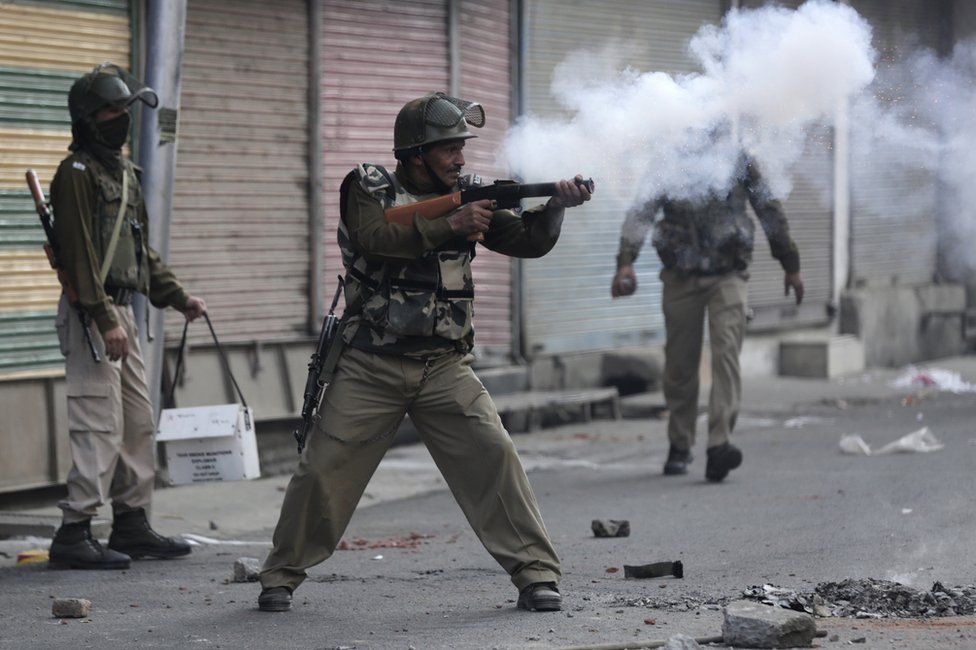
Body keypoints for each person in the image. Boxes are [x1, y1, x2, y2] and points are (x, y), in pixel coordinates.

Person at [258, 92, 591, 613]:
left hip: (444, 366)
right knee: (323, 470)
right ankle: (280, 575)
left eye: (462, 147)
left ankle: (535, 574)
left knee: (493, 457)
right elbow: (373, 240)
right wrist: (448, 225)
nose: (460, 158)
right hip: (370, 363)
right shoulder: (368, 186)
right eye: (448, 149)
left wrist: (554, 207)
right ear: (416, 155)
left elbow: (527, 240)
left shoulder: (470, 193)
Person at [47, 63, 207, 570]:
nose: (122, 119)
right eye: (113, 111)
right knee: (98, 422)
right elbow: (79, 255)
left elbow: (140, 254)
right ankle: (74, 531)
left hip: (122, 312)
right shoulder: (74, 175)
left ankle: (132, 522)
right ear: (90, 119)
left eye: (125, 110)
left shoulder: (125, 174)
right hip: (93, 312)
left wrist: (178, 296)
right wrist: (102, 317)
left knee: (138, 421)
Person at [611, 153, 803, 482]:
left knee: (726, 353)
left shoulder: (738, 159)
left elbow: (768, 209)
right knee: (680, 364)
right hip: (680, 275)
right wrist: (625, 260)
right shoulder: (665, 160)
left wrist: (790, 264)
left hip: (727, 274)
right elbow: (642, 210)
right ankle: (680, 443)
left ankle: (719, 445)